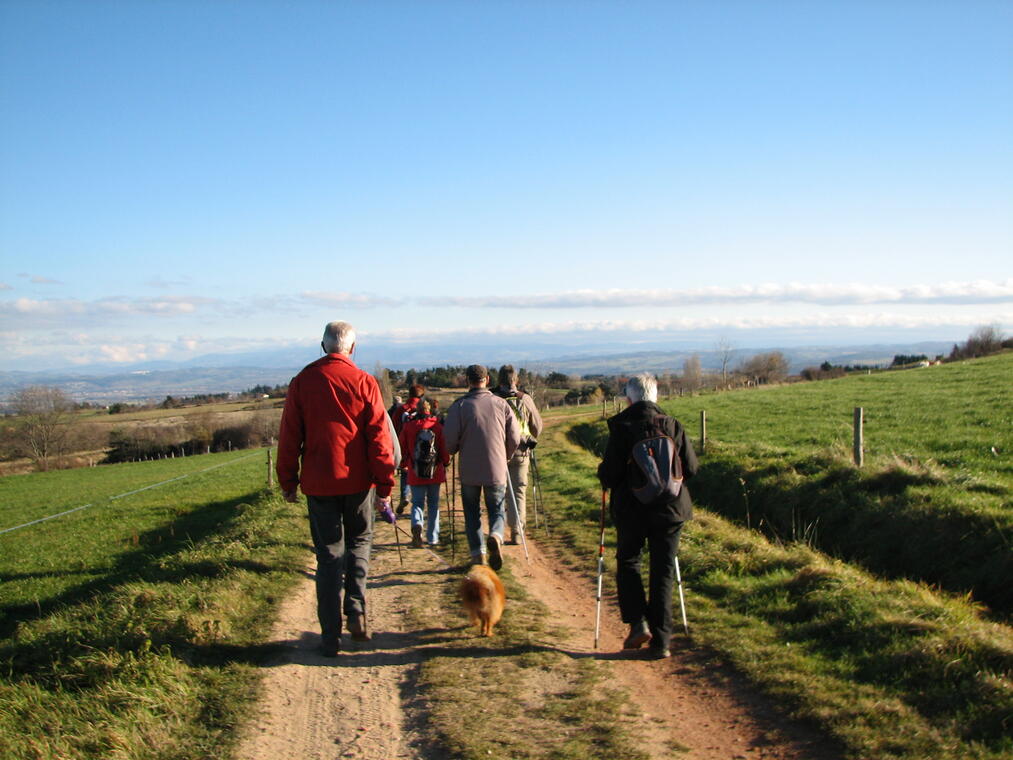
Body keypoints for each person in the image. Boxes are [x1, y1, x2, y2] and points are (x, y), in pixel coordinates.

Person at [276, 321, 397, 657]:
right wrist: (385, 485)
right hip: (358, 482)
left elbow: (289, 437)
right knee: (359, 542)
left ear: (322, 345)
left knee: (329, 556)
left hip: (318, 482)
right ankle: (356, 612)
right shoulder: (364, 382)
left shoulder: (302, 382)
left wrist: (288, 481)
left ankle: (330, 636)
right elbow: (379, 438)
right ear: (353, 349)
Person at [597, 373, 698, 660]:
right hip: (670, 509)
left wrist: (602, 473)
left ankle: (638, 623)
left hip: (631, 509)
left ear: (629, 399)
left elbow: (611, 474)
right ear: (656, 397)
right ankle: (662, 641)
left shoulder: (622, 427)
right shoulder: (672, 425)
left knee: (629, 561)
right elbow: (690, 468)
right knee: (663, 570)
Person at [443, 364, 520, 569]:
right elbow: (515, 437)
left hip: (469, 470)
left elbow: (449, 442)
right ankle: (495, 534)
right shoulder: (501, 405)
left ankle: (478, 555)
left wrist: (453, 450)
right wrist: (507, 455)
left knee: (472, 512)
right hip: (496, 466)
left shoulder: (459, 406)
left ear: (468, 380)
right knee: (496, 509)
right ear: (487, 380)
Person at [491, 365, 543, 544]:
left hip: (497, 451)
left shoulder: (492, 398)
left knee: (498, 491)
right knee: (519, 491)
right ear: (516, 380)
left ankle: (496, 532)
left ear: (498, 380)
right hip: (521, 451)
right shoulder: (525, 399)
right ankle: (517, 531)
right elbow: (537, 427)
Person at [399, 399, 450, 547]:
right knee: (433, 504)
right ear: (429, 410)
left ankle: (417, 525)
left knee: (417, 503)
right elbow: (444, 448)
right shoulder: (438, 426)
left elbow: (402, 448)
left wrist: (403, 464)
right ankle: (433, 537)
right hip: (435, 470)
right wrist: (446, 462)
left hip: (415, 470)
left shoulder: (408, 427)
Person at [393, 384, 426, 513]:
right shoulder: (423, 408)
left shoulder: (401, 410)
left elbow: (395, 427)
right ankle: (419, 500)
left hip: (404, 445)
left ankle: (405, 495)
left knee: (405, 471)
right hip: (422, 446)